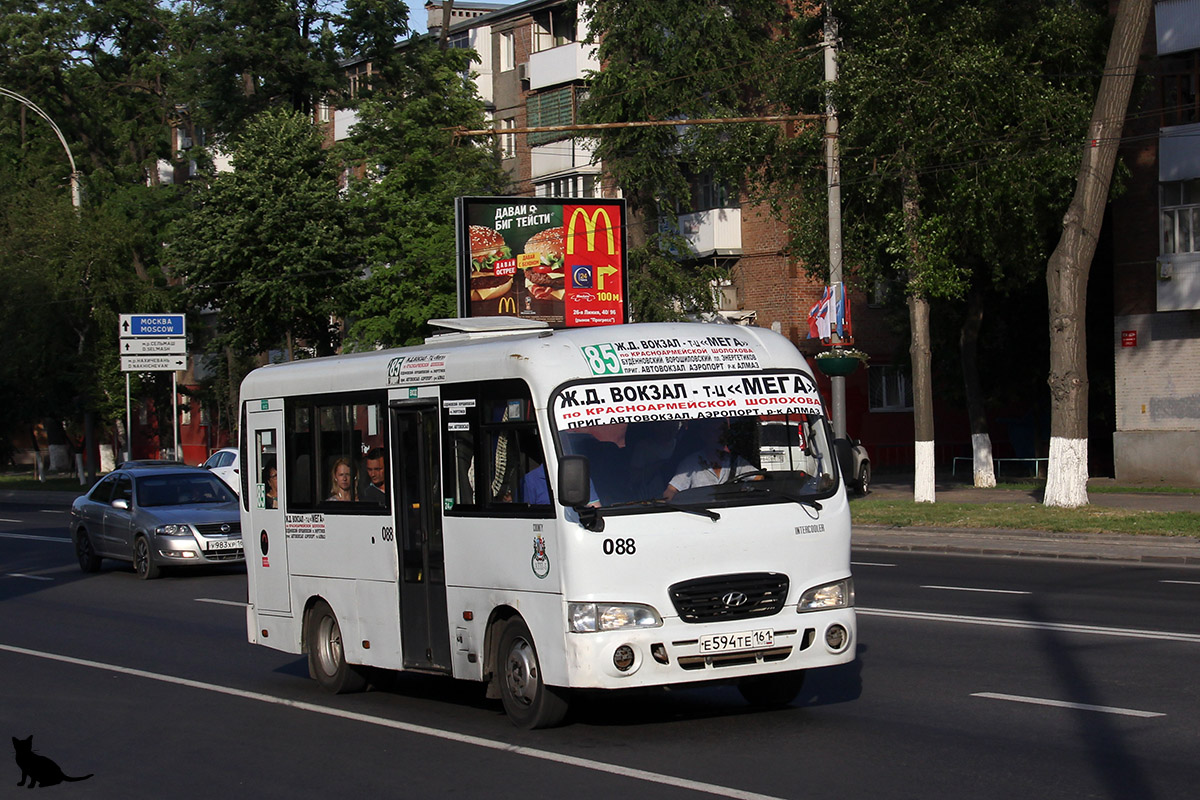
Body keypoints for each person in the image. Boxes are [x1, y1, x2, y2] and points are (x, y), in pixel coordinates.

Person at [663, 418, 757, 500]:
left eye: (722, 431)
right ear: (704, 435)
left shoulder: (736, 461)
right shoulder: (691, 464)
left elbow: (759, 478)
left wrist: (744, 489)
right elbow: (671, 490)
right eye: (713, 431)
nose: (719, 436)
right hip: (701, 514)